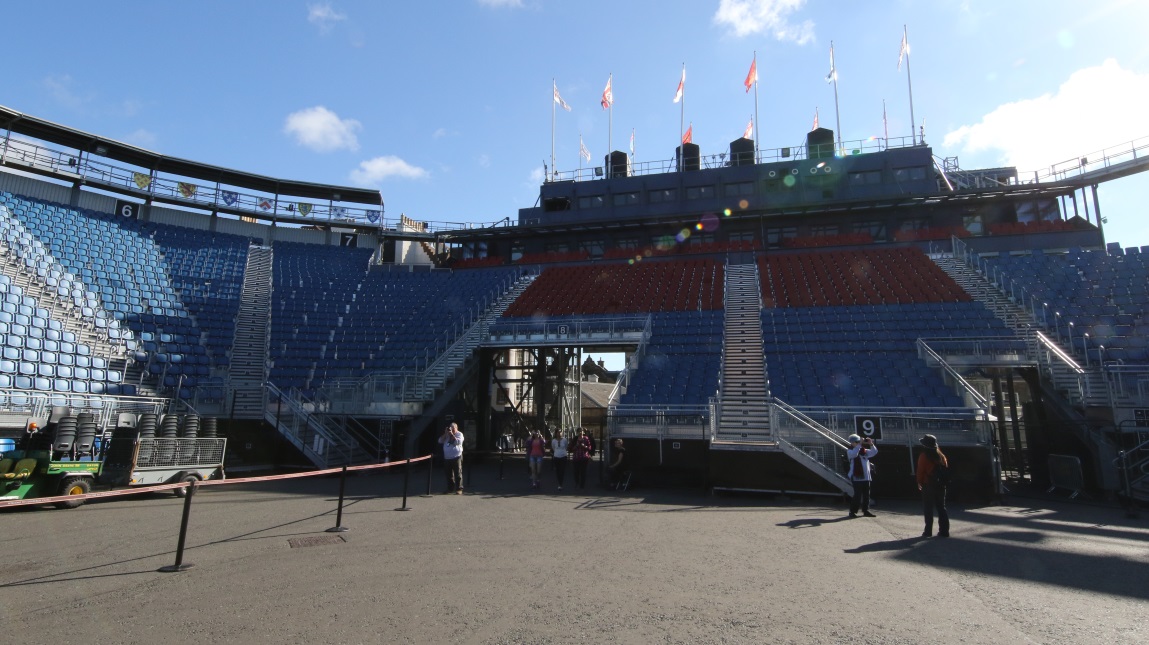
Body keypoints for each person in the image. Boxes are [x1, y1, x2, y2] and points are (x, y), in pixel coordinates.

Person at [916, 434, 950, 538]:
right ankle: (944, 531)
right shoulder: (941, 455)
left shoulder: (924, 456)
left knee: (928, 508)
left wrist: (919, 482)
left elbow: (920, 471)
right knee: (941, 508)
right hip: (941, 485)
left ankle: (928, 531)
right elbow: (946, 467)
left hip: (928, 484)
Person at [846, 434, 877, 518]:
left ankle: (865, 510)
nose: (858, 443)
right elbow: (854, 454)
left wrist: (871, 444)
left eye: (858, 441)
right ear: (852, 443)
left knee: (867, 495)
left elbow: (874, 452)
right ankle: (852, 511)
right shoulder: (850, 451)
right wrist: (859, 444)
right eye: (856, 442)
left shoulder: (864, 451)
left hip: (866, 477)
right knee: (857, 495)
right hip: (856, 477)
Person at [438, 423, 464, 494]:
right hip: (447, 457)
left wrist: (451, 434)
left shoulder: (459, 434)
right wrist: (445, 434)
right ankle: (450, 488)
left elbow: (457, 442)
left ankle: (459, 488)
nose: (451, 430)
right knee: (449, 474)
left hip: (457, 456)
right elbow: (440, 441)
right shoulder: (446, 435)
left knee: (458, 473)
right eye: (450, 428)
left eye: (453, 429)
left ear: (456, 428)